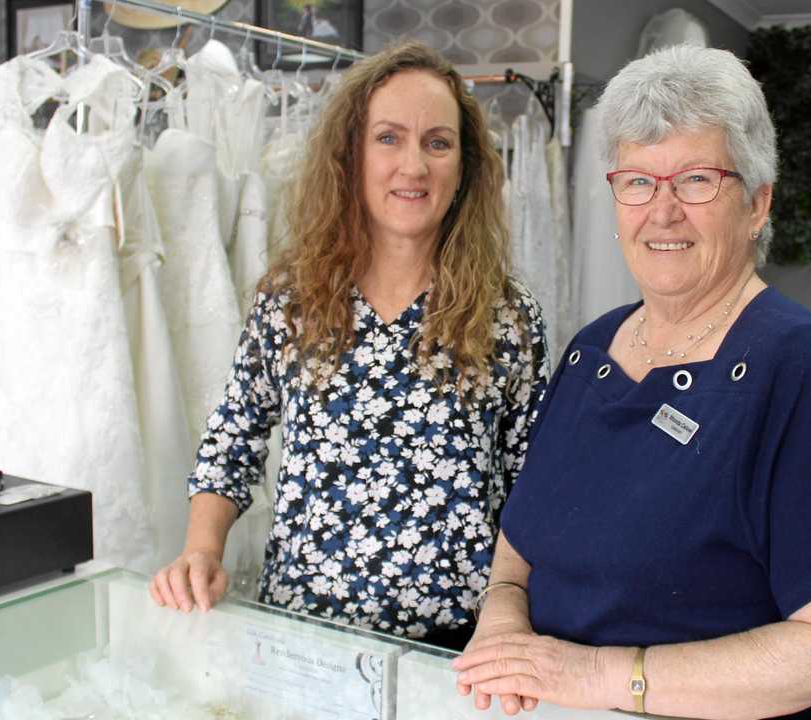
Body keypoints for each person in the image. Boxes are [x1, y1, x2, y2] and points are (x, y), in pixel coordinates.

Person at [454, 44, 811, 719]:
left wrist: (597, 676)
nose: (661, 211)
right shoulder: (592, 351)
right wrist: (503, 626)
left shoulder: (798, 368)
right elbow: (518, 554)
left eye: (696, 180)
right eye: (637, 181)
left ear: (756, 203)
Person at [148, 41, 551, 652]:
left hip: (456, 655)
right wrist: (200, 551)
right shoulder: (291, 299)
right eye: (388, 137)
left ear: (464, 165)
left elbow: (535, 486)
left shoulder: (507, 315)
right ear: (350, 155)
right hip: (305, 641)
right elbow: (231, 441)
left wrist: (511, 614)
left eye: (437, 142)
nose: (413, 165)